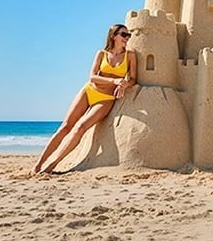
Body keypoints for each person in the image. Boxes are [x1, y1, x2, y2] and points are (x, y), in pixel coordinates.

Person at [32, 24, 139, 174]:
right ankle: (38, 164)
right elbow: (93, 77)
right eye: (124, 35)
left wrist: (124, 85)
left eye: (129, 35)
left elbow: (134, 79)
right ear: (113, 36)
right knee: (65, 127)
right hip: (89, 91)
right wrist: (114, 81)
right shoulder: (101, 54)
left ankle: (52, 165)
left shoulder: (130, 56)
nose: (127, 38)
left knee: (80, 128)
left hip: (106, 98)